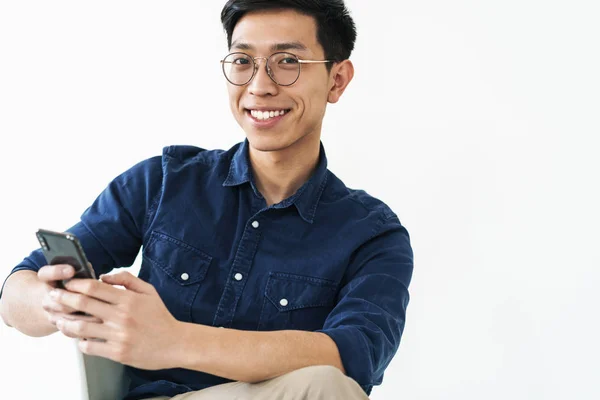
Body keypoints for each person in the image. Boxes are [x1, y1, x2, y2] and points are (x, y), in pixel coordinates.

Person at [0, 0, 413, 399]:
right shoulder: (164, 181)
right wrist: (59, 302)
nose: (260, 86)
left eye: (288, 61)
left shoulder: (373, 235)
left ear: (336, 80)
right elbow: (16, 294)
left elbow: (353, 355)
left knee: (326, 386)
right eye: (242, 62)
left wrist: (174, 341)